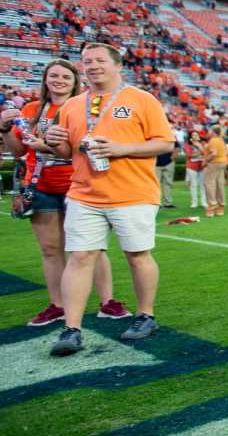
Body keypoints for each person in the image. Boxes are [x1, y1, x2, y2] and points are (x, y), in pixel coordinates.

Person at [42, 42, 174, 356]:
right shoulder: (73, 105)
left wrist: (120, 148)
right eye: (87, 61)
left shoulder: (142, 99)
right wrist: (53, 142)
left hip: (133, 193)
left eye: (100, 60)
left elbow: (164, 143)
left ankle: (146, 315)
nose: (93, 65)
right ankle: (71, 329)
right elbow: (68, 152)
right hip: (84, 193)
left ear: (118, 66)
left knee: (137, 255)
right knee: (80, 257)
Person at [0, 59, 126, 327]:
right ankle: (57, 305)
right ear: (45, 79)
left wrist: (46, 145)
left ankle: (108, 302)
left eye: (65, 77)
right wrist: (3, 129)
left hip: (79, 185)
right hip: (41, 186)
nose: (59, 80)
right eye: (53, 75)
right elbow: (20, 151)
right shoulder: (32, 109)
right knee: (51, 249)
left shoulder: (87, 108)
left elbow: (91, 146)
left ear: (75, 82)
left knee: (92, 248)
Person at [202, 124, 228, 216]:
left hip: (214, 163)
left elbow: (214, 153)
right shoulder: (221, 140)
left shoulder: (213, 140)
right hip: (222, 162)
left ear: (213, 132)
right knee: (219, 184)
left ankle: (212, 205)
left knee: (209, 184)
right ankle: (220, 207)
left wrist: (205, 161)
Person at [182, 130, 207, 209]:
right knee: (193, 184)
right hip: (192, 166)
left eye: (197, 135)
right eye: (194, 135)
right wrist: (200, 152)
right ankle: (194, 202)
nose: (196, 136)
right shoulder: (187, 144)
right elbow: (189, 155)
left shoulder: (203, 143)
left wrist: (199, 148)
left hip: (202, 165)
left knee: (203, 184)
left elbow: (206, 153)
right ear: (190, 137)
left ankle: (204, 202)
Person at [155, 139, 177, 208]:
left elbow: (176, 146)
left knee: (168, 183)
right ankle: (157, 203)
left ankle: (168, 203)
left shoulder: (169, 135)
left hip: (168, 163)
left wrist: (173, 157)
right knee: (156, 184)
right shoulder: (153, 137)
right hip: (156, 164)